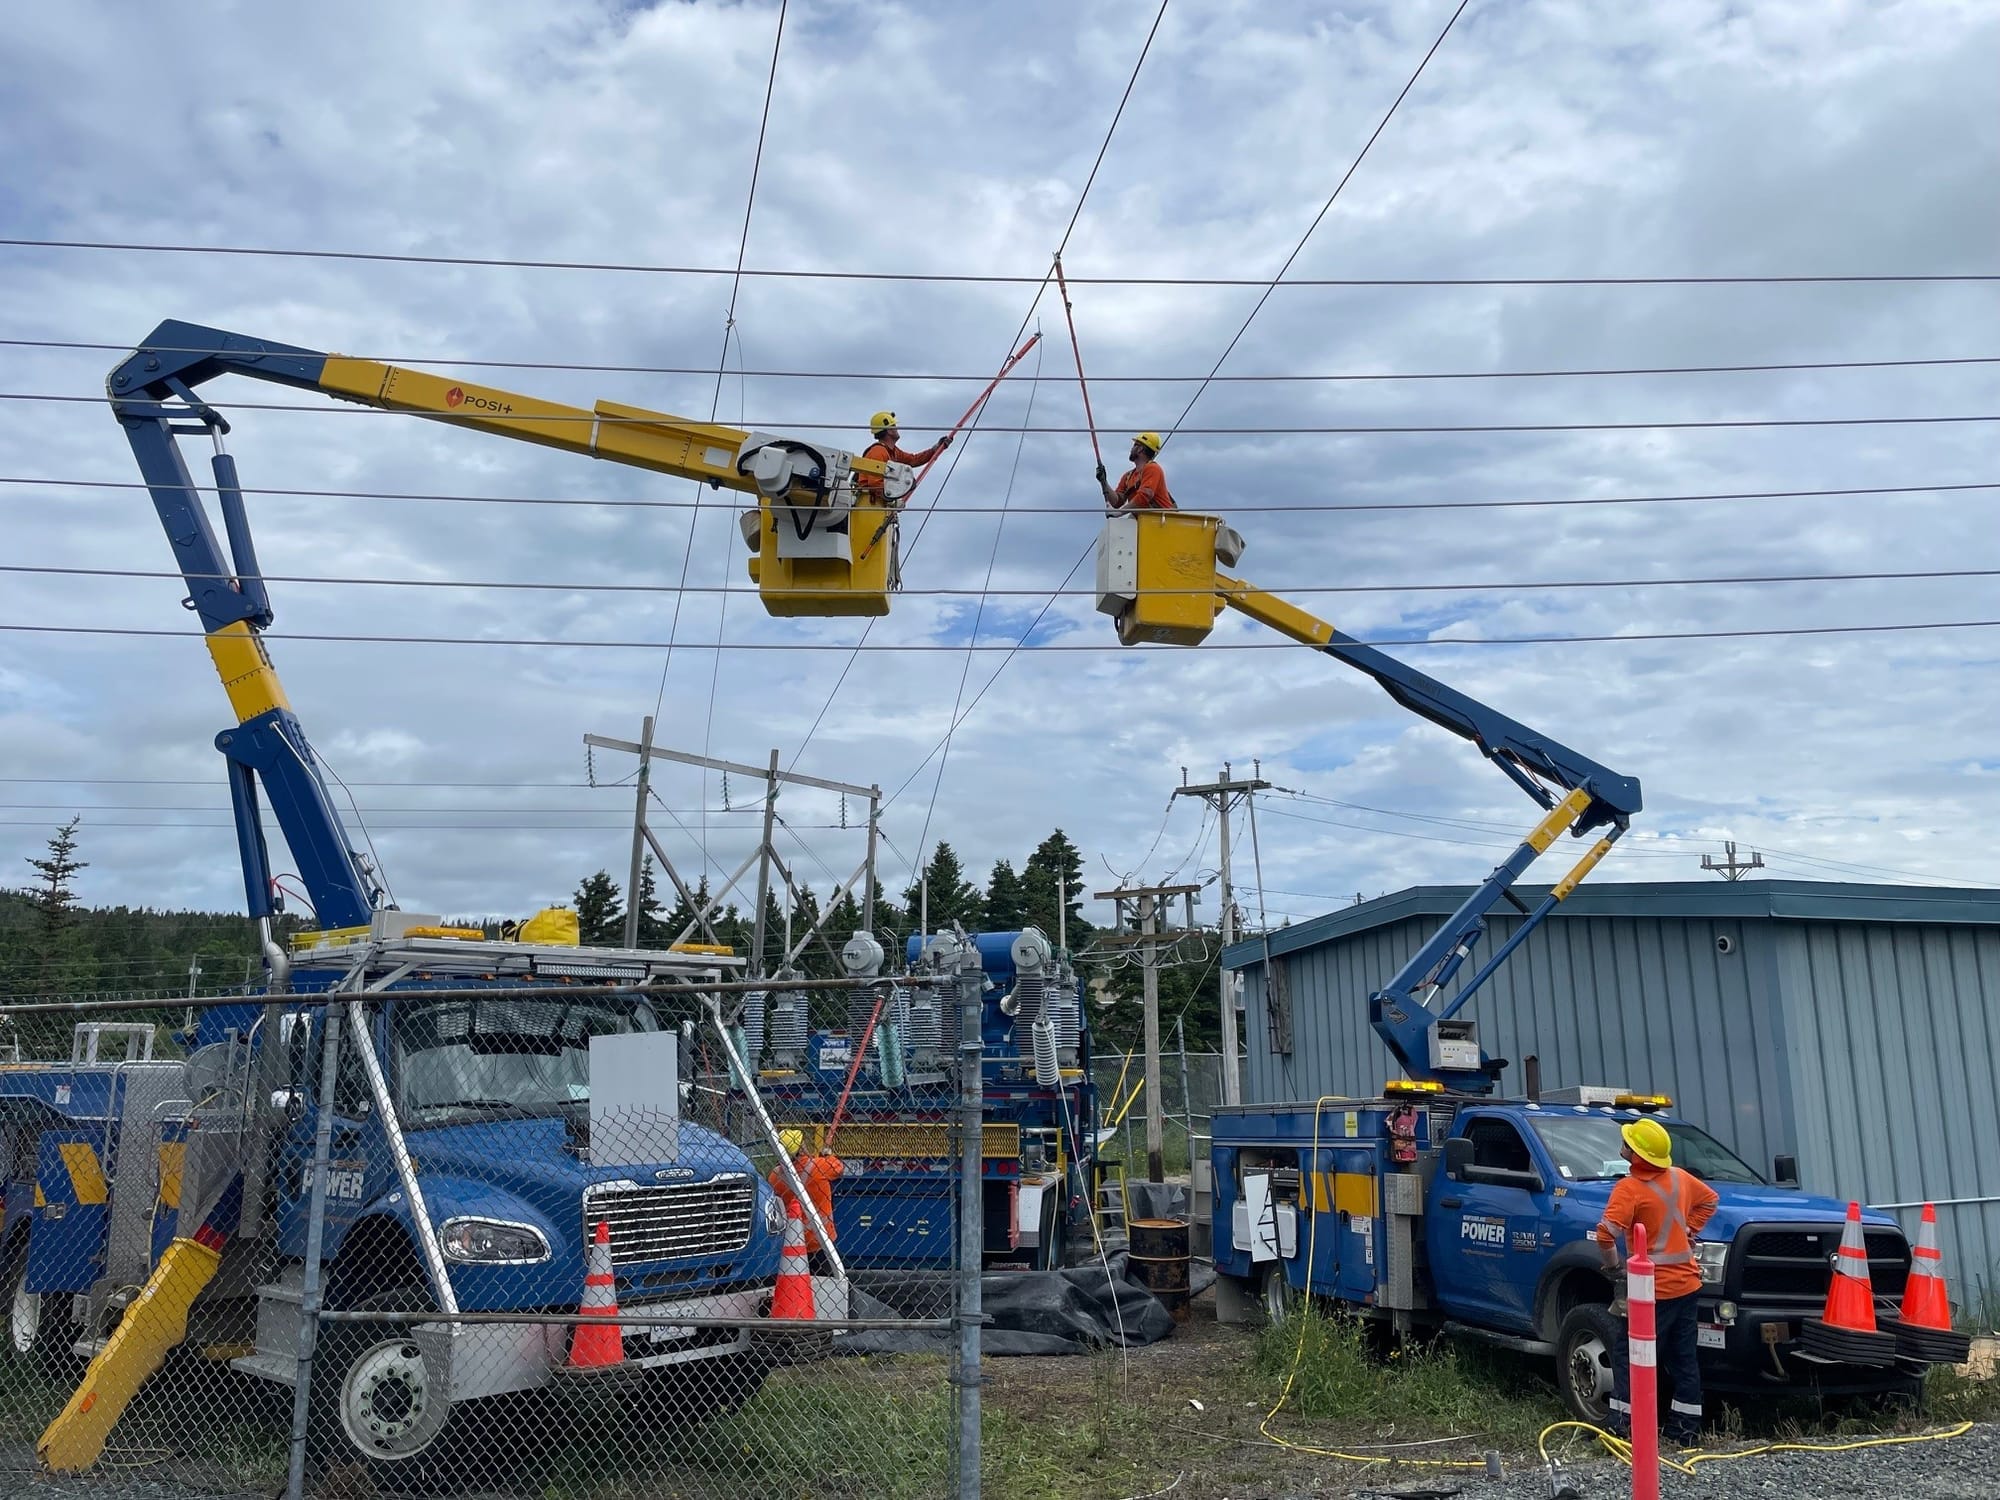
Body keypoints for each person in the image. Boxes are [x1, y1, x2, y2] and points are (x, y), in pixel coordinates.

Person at [1593, 1116, 1718, 1446]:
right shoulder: (1679, 1178)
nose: (1623, 1145)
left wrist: (1614, 1267)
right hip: (1687, 1286)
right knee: (1683, 1358)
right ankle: (1685, 1429)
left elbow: (1605, 1234)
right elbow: (1710, 1201)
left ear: (1635, 1155)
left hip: (1651, 1291)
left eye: (1628, 1143)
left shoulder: (1629, 1188)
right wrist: (1690, 1231)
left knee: (1630, 1354)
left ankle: (1623, 1426)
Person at [768, 1127, 846, 1276]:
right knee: (828, 1281)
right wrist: (828, 1156)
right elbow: (839, 1168)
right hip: (820, 1241)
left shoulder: (775, 1176)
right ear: (801, 1147)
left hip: (792, 1243)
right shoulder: (819, 1167)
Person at [857, 411, 952, 506]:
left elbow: (913, 460)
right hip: (870, 505)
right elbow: (875, 484)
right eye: (894, 426)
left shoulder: (892, 451)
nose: (897, 428)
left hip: (878, 506)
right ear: (889, 430)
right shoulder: (878, 452)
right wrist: (895, 495)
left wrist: (936, 448)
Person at [1097, 431, 1175, 511]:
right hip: (1147, 519)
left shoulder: (1153, 469)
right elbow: (1117, 502)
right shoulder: (1128, 476)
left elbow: (1145, 496)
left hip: (1163, 520)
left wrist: (1120, 512)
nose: (1131, 448)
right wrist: (1104, 482)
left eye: (1135, 445)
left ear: (1140, 449)